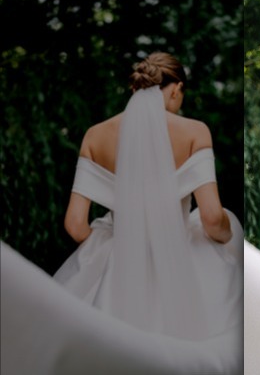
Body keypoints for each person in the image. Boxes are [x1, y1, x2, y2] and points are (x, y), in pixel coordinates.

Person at [1, 52, 243, 374]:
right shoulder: (195, 131)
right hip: (181, 255)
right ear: (176, 89)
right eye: (180, 96)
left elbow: (75, 225)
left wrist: (109, 241)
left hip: (119, 255)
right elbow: (212, 219)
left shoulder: (95, 135)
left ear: (136, 88)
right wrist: (229, 236)